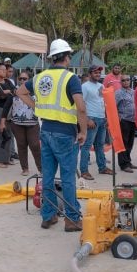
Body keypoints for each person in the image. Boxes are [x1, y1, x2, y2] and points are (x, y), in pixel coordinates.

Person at [17, 38, 87, 232]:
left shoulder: (39, 77)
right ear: (66, 57)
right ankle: (72, 219)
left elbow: (20, 92)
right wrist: (83, 131)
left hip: (45, 131)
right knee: (67, 178)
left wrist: (37, 107)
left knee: (47, 176)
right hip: (65, 134)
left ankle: (48, 216)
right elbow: (80, 107)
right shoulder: (70, 78)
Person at [0, 72, 41, 176]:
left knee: (35, 145)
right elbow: (6, 107)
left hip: (33, 123)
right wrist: (2, 121)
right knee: (21, 146)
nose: (22, 80)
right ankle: (25, 168)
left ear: (29, 80)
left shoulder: (36, 91)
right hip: (17, 124)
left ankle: (41, 169)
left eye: (25, 78)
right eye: (20, 78)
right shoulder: (14, 92)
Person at [79, 65, 112, 180]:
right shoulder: (85, 86)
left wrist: (106, 117)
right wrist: (87, 119)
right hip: (91, 119)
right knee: (87, 145)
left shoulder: (101, 86)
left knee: (100, 145)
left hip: (101, 118)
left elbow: (103, 102)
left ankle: (102, 167)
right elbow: (81, 103)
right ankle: (84, 171)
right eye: (95, 72)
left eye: (99, 72)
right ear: (90, 74)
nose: (98, 74)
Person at [0, 63, 16, 168]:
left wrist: (7, 91)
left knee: (9, 134)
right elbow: (0, 95)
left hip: (10, 109)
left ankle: (7, 158)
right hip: (0, 110)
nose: (5, 71)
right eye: (2, 70)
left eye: (6, 70)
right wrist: (8, 92)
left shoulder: (8, 81)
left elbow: (15, 91)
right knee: (1, 133)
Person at [115, 74, 137, 173]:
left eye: (127, 80)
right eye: (123, 80)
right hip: (124, 120)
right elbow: (113, 106)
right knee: (123, 143)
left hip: (133, 120)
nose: (126, 82)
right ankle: (123, 164)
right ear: (121, 82)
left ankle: (128, 161)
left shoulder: (134, 92)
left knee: (130, 143)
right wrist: (117, 116)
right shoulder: (118, 93)